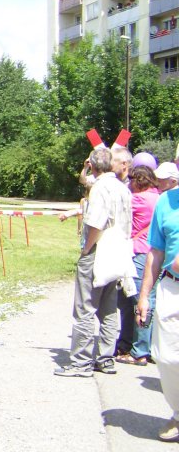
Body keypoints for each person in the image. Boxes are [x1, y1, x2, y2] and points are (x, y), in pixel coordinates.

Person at [55, 146, 131, 377]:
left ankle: (80, 362)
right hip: (118, 252)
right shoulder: (122, 188)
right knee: (108, 309)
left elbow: (96, 223)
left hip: (98, 252)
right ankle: (105, 359)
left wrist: (86, 249)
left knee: (85, 309)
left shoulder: (99, 188)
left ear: (94, 166)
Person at [136, 169, 179, 442]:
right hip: (171, 285)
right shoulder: (166, 201)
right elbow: (155, 251)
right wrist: (144, 296)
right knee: (166, 357)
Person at [116, 165, 159, 364]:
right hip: (145, 252)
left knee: (137, 300)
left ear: (138, 180)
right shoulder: (156, 196)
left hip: (139, 253)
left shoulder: (140, 199)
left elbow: (117, 206)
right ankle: (131, 344)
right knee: (132, 300)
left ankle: (140, 350)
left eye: (131, 179)